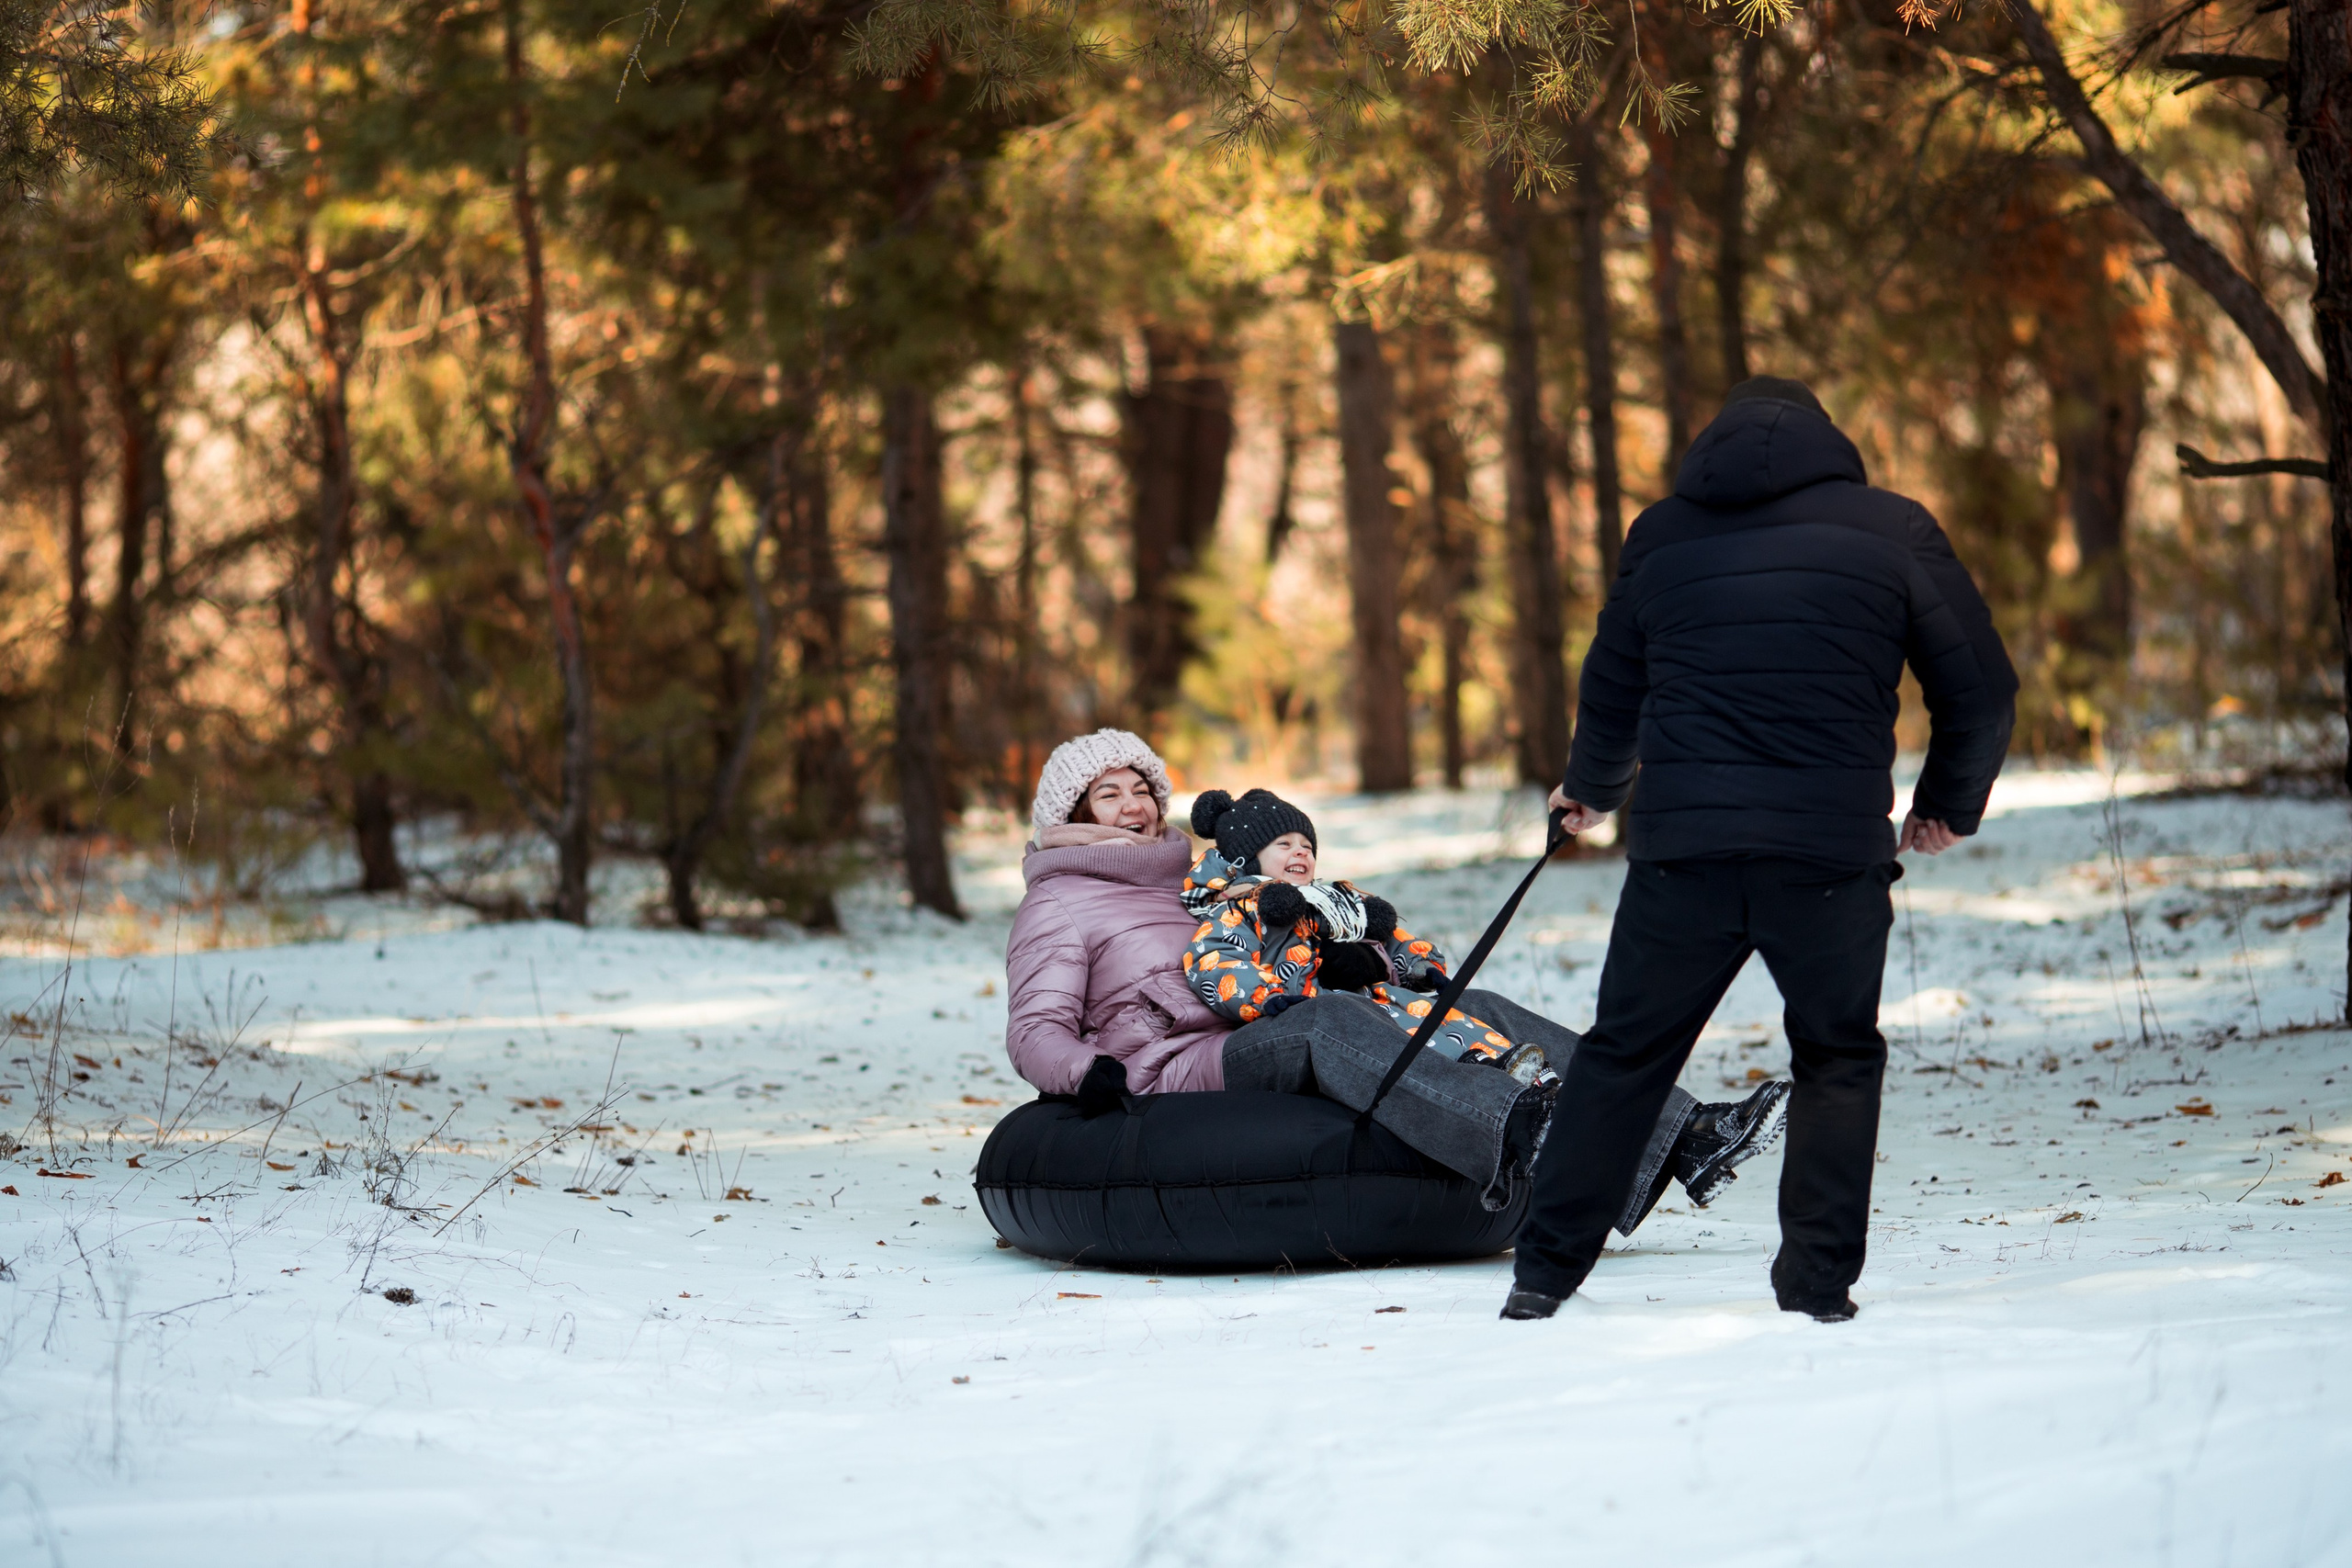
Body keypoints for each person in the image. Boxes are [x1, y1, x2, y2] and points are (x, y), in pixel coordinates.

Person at [1501, 377, 2018, 1325]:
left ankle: (1542, 1274)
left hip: (1683, 853)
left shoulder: (1660, 534)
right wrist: (1947, 807)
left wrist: (1592, 789)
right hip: (1827, 855)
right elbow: (1981, 691)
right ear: (1831, 442)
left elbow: (1612, 685)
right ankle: (1815, 1288)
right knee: (1836, 1057)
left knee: (1623, 1055)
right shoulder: (1892, 529)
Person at [1004, 729, 1788, 1222]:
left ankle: (1687, 1135)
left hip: (1273, 1012)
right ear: (1072, 812)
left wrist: (1368, 959)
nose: (1136, 806)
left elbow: (1302, 940)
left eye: (1143, 789)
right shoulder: (1061, 902)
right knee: (1322, 1024)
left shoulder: (1201, 880)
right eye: (1110, 793)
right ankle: (1520, 1126)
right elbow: (1035, 1029)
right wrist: (1090, 1072)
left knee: (1468, 1002)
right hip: (1180, 1061)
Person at [1178, 787, 1555, 1085]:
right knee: (1397, 1040)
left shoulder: (1334, 901)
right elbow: (1214, 958)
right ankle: (1478, 1072)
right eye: (1285, 845)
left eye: (1307, 846)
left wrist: (1421, 965)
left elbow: (1391, 936)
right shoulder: (1240, 909)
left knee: (1433, 1018)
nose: (1301, 853)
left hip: (1369, 996)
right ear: (1247, 859)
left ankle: (1506, 1065)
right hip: (1310, 1013)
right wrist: (1266, 995)